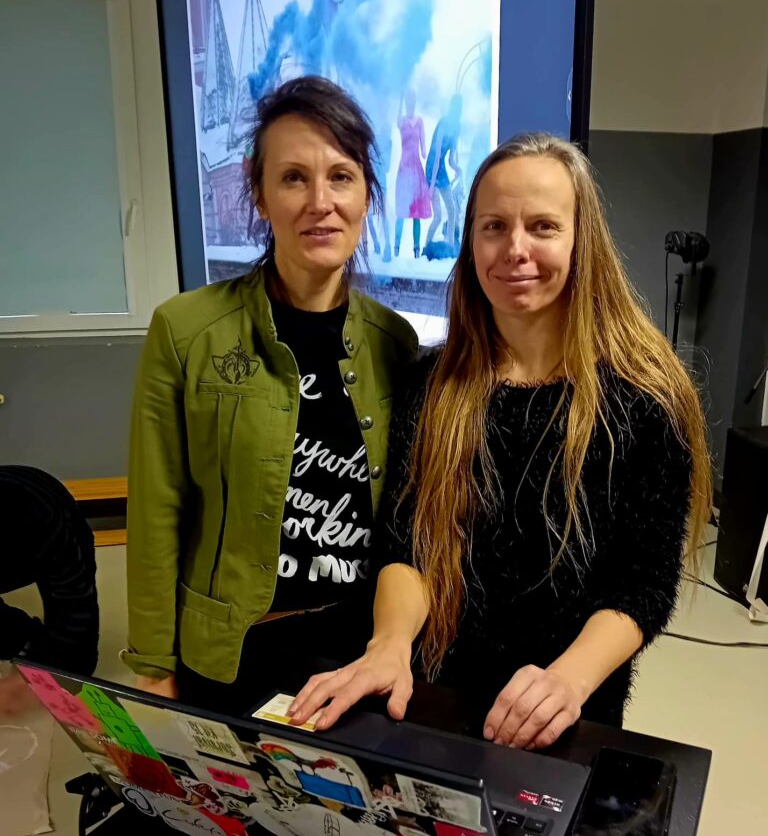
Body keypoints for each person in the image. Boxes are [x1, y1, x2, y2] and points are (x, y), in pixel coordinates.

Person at [289, 132, 711, 748]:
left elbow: (643, 585)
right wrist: (389, 645)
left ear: (582, 240)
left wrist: (567, 681)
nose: (515, 249)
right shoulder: (433, 387)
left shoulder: (646, 399)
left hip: (561, 715)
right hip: (432, 700)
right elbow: (408, 545)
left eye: (543, 226)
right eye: (494, 227)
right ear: (470, 242)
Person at [123, 76, 417, 715]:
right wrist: (153, 665)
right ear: (258, 194)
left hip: (356, 656)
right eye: (293, 179)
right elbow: (156, 512)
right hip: (232, 654)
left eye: (341, 177)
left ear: (367, 194)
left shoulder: (395, 343)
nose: (320, 202)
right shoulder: (186, 331)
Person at [0, 465, 99, 677]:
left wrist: (54, 675)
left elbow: (75, 601)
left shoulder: (37, 517)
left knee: (76, 663)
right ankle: (26, 641)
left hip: (47, 511)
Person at [394, 90, 432, 259]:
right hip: (404, 168)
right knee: (402, 211)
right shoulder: (402, 120)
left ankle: (416, 249)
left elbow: (424, 149)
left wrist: (425, 152)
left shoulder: (420, 121)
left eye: (412, 101)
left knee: (416, 212)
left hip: (415, 168)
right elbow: (397, 120)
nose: (411, 104)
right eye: (408, 101)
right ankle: (396, 248)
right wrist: (400, 99)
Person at [425, 94, 462, 255]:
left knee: (452, 209)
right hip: (432, 168)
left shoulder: (457, 128)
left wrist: (458, 169)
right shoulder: (443, 123)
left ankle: (450, 245)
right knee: (438, 216)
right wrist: (431, 186)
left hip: (441, 168)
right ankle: (426, 247)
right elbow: (436, 154)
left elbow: (451, 159)